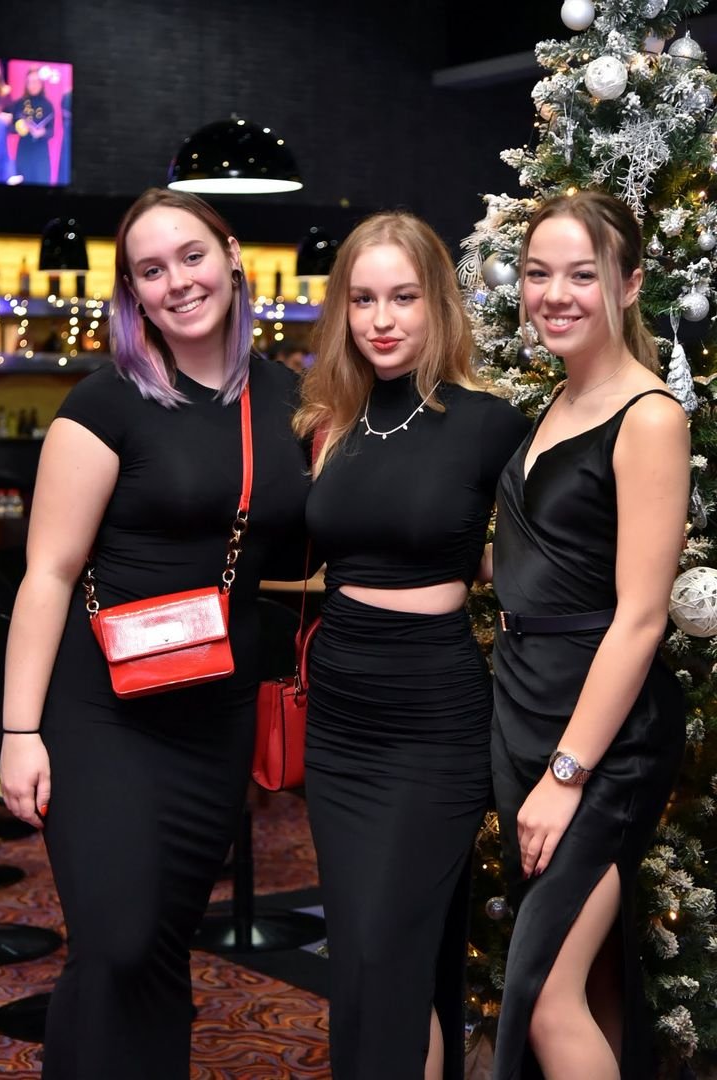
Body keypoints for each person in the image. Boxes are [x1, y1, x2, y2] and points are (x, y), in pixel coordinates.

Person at [0, 187, 311, 1080]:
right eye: (151, 270)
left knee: (165, 941)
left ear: (233, 256)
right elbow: (48, 574)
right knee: (118, 941)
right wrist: (18, 731)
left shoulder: (290, 398)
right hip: (104, 709)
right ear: (133, 292)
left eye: (192, 256)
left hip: (215, 713)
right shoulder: (105, 403)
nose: (178, 281)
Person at [294, 210, 529, 1080]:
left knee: (386, 949)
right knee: (362, 959)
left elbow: (543, 560)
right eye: (362, 300)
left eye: (403, 297)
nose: (382, 320)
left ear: (439, 303)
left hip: (433, 718)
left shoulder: (489, 423)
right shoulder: (331, 422)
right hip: (340, 717)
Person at [489, 190, 690, 1080]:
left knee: (543, 997)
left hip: (602, 737)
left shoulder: (650, 416)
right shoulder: (561, 399)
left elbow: (641, 616)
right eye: (539, 274)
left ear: (631, 282)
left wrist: (568, 773)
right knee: (596, 974)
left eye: (582, 274)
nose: (555, 294)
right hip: (526, 705)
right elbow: (544, 558)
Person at [12, 68, 54, 185]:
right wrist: (19, 127)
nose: (33, 85)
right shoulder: (19, 104)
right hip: (23, 152)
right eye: (30, 82)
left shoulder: (48, 105)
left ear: (41, 83)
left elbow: (52, 132)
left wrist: (42, 132)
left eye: (36, 81)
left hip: (41, 155)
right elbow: (10, 128)